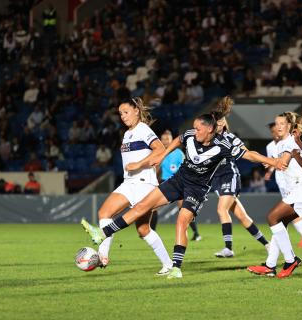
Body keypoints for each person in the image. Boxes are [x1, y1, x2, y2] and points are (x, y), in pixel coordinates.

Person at [82, 112, 285, 279]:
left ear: (209, 129)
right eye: (194, 127)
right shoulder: (190, 135)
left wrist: (273, 162)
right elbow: (179, 139)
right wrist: (162, 154)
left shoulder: (223, 146)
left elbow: (249, 154)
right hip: (178, 180)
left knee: (181, 222)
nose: (194, 131)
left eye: (198, 128)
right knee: (142, 206)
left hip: (196, 189)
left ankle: (176, 267)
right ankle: (103, 233)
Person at [81, 98, 173, 276]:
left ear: (136, 111)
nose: (123, 116)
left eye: (126, 112)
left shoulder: (143, 129)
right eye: (120, 113)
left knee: (142, 229)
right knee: (108, 215)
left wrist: (138, 164)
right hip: (129, 183)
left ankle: (168, 264)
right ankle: (104, 255)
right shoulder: (127, 134)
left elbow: (160, 149)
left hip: (144, 184)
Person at [247, 102, 302, 278]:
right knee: (281, 221)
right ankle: (270, 265)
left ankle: (290, 260)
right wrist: (298, 143)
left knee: (272, 217)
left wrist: (295, 152)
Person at [210, 97, 269, 258]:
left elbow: (248, 153)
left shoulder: (231, 138)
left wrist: (264, 160)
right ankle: (268, 244)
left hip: (230, 176)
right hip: (217, 180)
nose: (219, 122)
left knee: (221, 210)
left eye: (221, 119)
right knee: (242, 216)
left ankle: (228, 248)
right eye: (217, 120)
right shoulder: (207, 140)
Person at [155, 129, 201, 241]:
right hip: (164, 183)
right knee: (153, 207)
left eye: (167, 139)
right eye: (163, 139)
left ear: (172, 140)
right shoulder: (160, 153)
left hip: (179, 183)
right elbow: (156, 169)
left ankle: (195, 233)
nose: (165, 141)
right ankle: (152, 234)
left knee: (184, 209)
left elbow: (186, 168)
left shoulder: (179, 154)